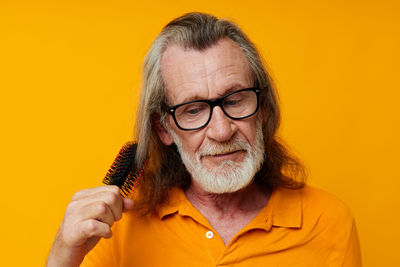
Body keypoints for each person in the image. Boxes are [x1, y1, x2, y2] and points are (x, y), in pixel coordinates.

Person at [47, 12, 361, 267]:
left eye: (235, 100)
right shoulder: (119, 225)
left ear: (263, 108)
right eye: (193, 110)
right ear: (164, 129)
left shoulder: (328, 222)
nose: (222, 131)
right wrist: (63, 254)